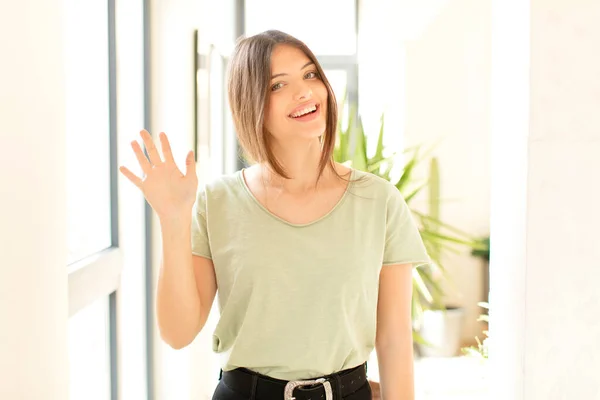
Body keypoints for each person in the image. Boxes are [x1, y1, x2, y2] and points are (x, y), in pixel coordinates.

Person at [119, 30, 430, 400]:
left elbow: (393, 339)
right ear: (251, 105)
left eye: (310, 74)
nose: (304, 91)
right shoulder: (217, 202)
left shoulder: (379, 201)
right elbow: (177, 332)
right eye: (278, 85)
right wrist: (173, 219)